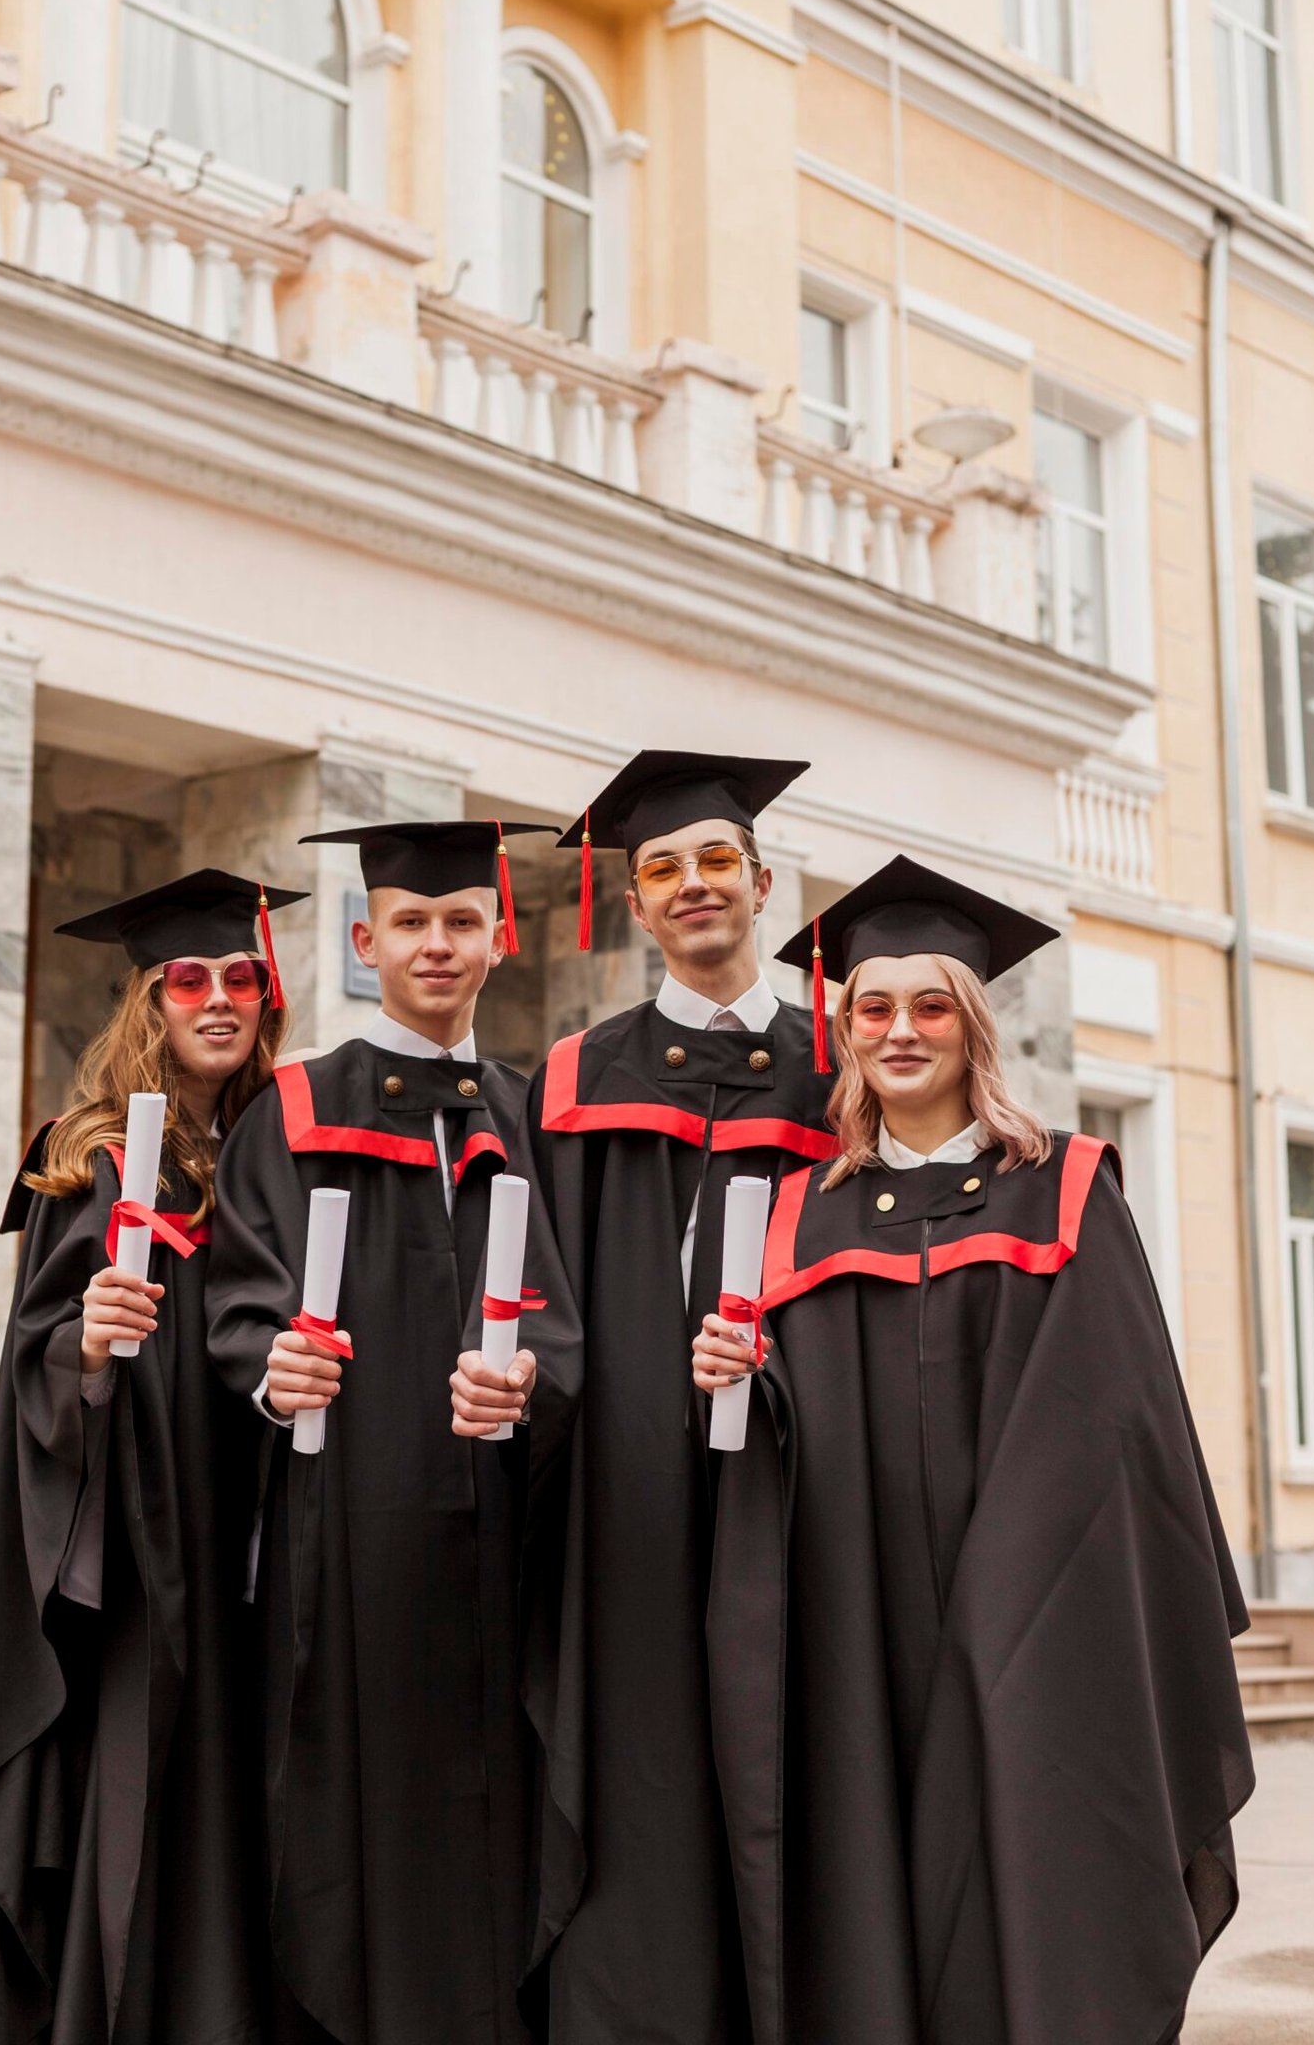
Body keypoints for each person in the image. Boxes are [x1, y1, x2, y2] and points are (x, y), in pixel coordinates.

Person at [692, 854, 1255, 2045]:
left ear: (972, 1025)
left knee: (1020, 1871)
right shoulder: (801, 1214)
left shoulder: (1061, 1189)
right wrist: (748, 1383)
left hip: (1027, 1619)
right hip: (853, 1615)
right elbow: (775, 1445)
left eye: (930, 1004)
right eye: (874, 1008)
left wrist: (1006, 1596)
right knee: (868, 1866)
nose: (901, 1032)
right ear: (843, 1031)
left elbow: (1113, 1416)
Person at [451, 752, 837, 2045]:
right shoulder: (575, 1078)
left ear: (764, 882)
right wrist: (516, 1382)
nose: (690, 886)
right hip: (628, 1505)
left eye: (714, 860)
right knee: (640, 1791)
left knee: (807, 1775)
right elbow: (537, 1298)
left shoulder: (843, 1074)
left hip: (805, 1503)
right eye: (660, 869)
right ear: (634, 908)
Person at [205, 818, 553, 2045]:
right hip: (346, 1531)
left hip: (504, 1545)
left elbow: (564, 1313)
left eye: (462, 921)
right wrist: (271, 1368)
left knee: (500, 1805)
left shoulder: (529, 1112)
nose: (438, 944)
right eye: (410, 923)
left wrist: (531, 1382)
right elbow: (238, 1299)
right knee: (361, 1805)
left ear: (499, 938)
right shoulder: (299, 1108)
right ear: (365, 942)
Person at [0, 868, 303, 2045]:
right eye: (186, 981)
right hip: (143, 1555)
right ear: (148, 1004)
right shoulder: (93, 1157)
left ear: (268, 995)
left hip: (259, 1537)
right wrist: (87, 1352)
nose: (215, 1000)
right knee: (143, 1811)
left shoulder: (276, 1152)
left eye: (237, 978)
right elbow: (36, 1360)